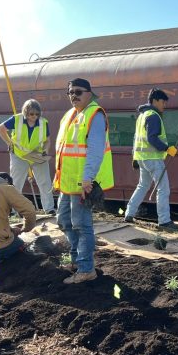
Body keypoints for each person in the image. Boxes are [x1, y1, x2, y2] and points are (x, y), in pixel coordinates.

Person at [54, 78, 114, 284]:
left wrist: (87, 178)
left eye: (78, 92)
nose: (73, 95)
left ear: (90, 93)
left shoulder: (94, 115)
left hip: (82, 182)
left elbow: (95, 151)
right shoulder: (70, 115)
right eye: (70, 92)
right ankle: (76, 260)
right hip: (68, 183)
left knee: (81, 225)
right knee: (63, 221)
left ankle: (86, 268)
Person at [123, 88, 178, 230]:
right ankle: (164, 221)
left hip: (142, 158)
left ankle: (129, 213)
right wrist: (167, 148)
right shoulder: (153, 116)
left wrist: (134, 158)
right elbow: (152, 138)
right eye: (163, 102)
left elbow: (137, 139)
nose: (164, 106)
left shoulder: (142, 115)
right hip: (153, 159)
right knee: (163, 189)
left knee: (142, 186)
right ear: (154, 100)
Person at [0, 99, 55, 215]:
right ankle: (13, 211)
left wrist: (45, 150)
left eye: (37, 114)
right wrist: (10, 144)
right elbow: (0, 129)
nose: (34, 116)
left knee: (45, 182)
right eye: (31, 114)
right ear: (26, 112)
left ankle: (49, 209)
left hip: (36, 155)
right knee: (16, 183)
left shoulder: (44, 122)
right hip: (19, 155)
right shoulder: (16, 119)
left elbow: (47, 141)